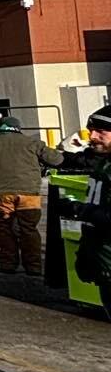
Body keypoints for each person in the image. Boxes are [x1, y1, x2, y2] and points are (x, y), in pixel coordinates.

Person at [0, 114, 60, 277]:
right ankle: (34, 266)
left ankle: (8, 264)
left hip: (1, 192)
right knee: (29, 229)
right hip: (29, 192)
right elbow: (56, 159)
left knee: (5, 227)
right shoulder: (32, 143)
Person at [60, 104, 111, 314]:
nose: (93, 136)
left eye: (101, 131)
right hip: (103, 264)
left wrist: (81, 209)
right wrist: (87, 256)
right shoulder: (103, 164)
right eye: (91, 130)